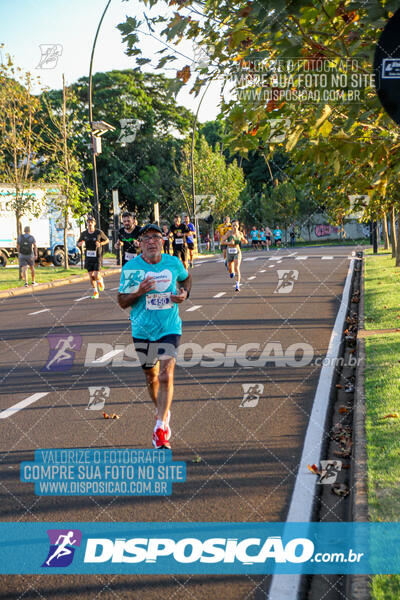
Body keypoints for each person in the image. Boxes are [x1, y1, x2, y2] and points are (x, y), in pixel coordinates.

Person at [117, 223, 192, 449]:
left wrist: (184, 293)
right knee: (152, 376)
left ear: (163, 241)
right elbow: (122, 302)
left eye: (156, 237)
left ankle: (160, 427)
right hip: (142, 330)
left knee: (166, 376)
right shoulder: (131, 268)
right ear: (140, 243)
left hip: (170, 327)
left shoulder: (174, 263)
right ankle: (162, 411)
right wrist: (138, 291)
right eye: (146, 238)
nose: (151, 241)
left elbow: (186, 278)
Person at [77, 216, 109, 299]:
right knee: (91, 276)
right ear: (86, 223)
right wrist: (80, 244)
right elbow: (79, 242)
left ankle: (100, 280)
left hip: (97, 256)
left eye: (91, 222)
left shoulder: (99, 232)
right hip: (88, 256)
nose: (90, 223)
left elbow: (107, 240)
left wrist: (100, 244)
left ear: (94, 223)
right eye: (88, 222)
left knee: (96, 274)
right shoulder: (84, 233)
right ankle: (95, 292)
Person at [221, 219, 248, 292]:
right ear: (231, 226)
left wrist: (245, 241)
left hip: (237, 252)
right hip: (229, 252)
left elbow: (244, 241)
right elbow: (222, 242)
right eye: (233, 225)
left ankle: (237, 285)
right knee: (230, 269)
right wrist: (229, 243)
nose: (235, 227)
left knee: (236, 268)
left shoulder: (240, 233)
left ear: (238, 226)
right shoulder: (228, 233)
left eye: (236, 225)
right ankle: (230, 270)